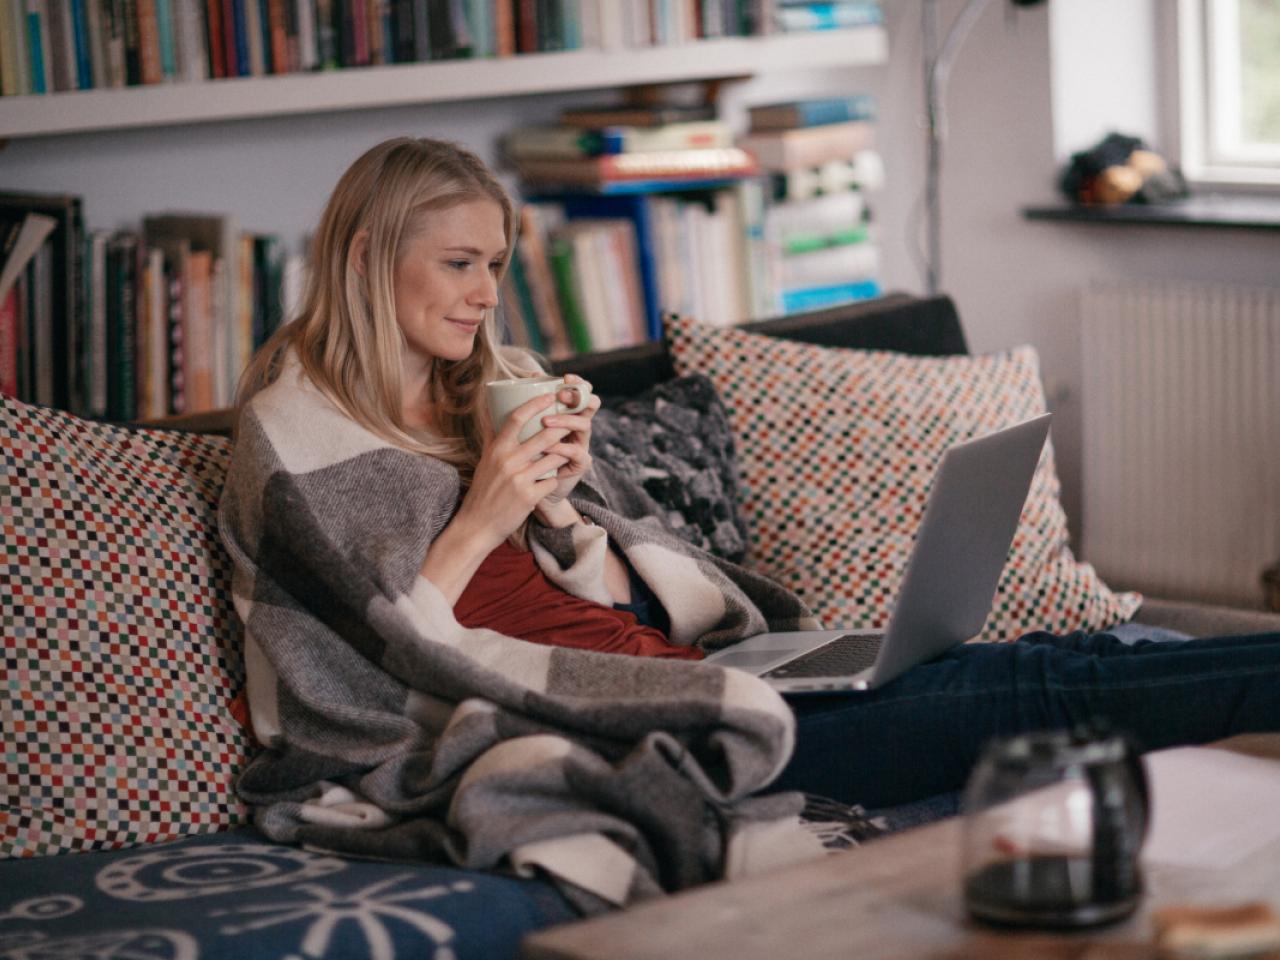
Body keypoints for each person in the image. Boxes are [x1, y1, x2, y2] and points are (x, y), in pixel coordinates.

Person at [220, 138, 1279, 901]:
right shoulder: (294, 436)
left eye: (495, 265)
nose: (486, 294)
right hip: (613, 723)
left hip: (677, 674)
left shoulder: (489, 387)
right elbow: (376, 658)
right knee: (1033, 690)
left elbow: (633, 589)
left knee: (1058, 654)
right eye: (460, 264)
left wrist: (567, 517)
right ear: (364, 252)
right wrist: (485, 510)